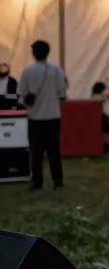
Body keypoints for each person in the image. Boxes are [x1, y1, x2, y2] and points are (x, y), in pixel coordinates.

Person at [17, 40, 67, 191]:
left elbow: (20, 96)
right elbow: (62, 93)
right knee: (54, 151)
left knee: (36, 152)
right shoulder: (56, 70)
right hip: (53, 117)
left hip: (35, 118)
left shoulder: (27, 72)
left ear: (33, 54)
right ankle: (57, 181)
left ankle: (37, 182)